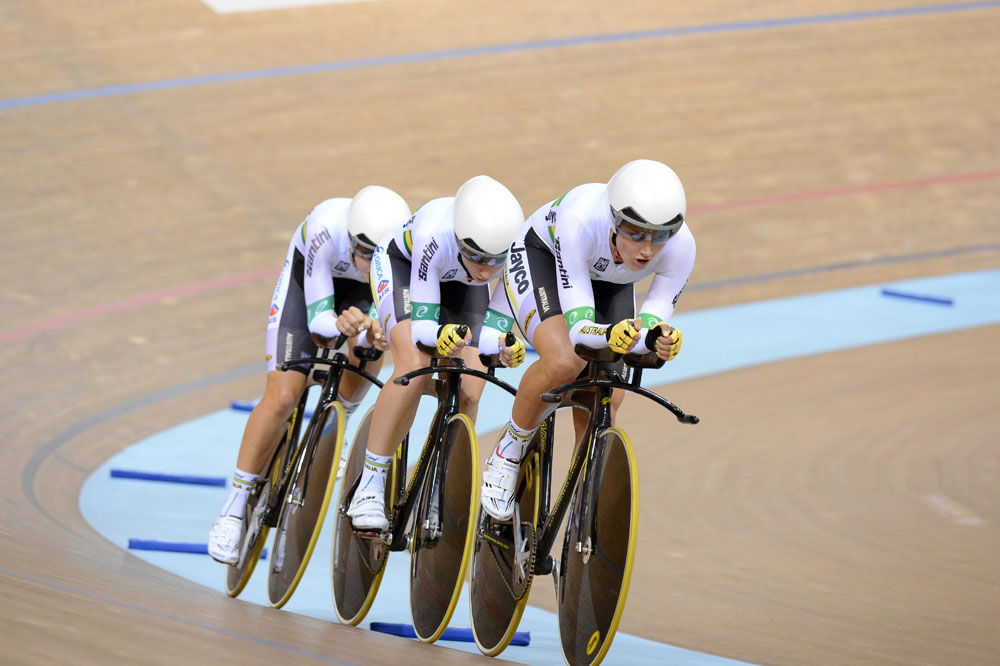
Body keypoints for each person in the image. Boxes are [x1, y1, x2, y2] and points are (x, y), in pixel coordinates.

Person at [480, 159, 696, 520]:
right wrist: (613, 335)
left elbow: (649, 326)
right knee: (566, 359)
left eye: (659, 236)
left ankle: (584, 500)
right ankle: (509, 449)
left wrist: (657, 341)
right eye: (635, 232)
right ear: (613, 220)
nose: (647, 249)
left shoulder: (682, 246)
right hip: (544, 258)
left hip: (609, 279)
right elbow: (581, 330)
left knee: (610, 388)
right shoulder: (580, 221)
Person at [208, 185, 410, 564]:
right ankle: (232, 510)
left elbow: (393, 321)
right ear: (350, 238)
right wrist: (342, 324)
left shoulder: (402, 252)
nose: (370, 264)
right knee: (283, 396)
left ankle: (339, 420)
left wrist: (375, 332)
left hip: (364, 297)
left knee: (370, 346)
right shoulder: (325, 230)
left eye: (378, 255)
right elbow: (318, 326)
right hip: (309, 286)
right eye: (364, 252)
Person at [346, 175, 528, 531]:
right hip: (403, 268)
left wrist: (504, 349)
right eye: (477, 256)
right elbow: (424, 332)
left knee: (470, 388)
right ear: (460, 239)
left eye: (495, 260)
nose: (485, 269)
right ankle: (370, 483)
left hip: (460, 285)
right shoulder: (434, 234)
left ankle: (440, 482)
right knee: (415, 366)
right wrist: (440, 336)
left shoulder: (513, 254)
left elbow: (492, 333)